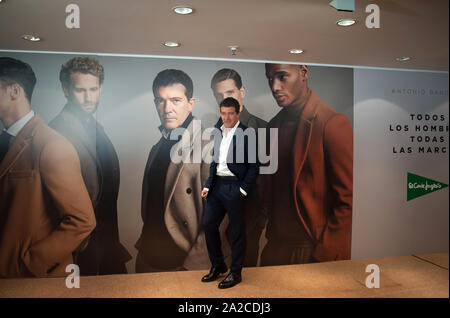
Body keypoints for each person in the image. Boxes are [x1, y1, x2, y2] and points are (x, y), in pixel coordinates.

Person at [0, 57, 96, 278]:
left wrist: (27, 266)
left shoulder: (52, 145)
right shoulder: (6, 140)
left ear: (14, 91)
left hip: (31, 282)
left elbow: (82, 221)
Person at [260, 63, 353, 266]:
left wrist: (325, 252)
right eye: (270, 79)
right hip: (275, 248)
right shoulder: (272, 126)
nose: (274, 86)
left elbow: (347, 199)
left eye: (282, 76)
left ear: (303, 72)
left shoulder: (333, 123)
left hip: (313, 249)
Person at [50, 57, 131, 275]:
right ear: (66, 90)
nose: (88, 98)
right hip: (80, 253)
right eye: (80, 90)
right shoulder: (57, 131)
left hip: (107, 246)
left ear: (100, 88)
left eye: (93, 89)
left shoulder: (95, 128)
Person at [135, 69, 222, 272]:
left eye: (175, 100)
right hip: (148, 259)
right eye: (160, 100)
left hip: (183, 265)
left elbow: (220, 216)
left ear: (191, 103)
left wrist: (193, 264)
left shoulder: (210, 145)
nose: (167, 109)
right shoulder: (157, 147)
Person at [210, 68, 267, 267]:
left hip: (247, 215)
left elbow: (266, 180)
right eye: (219, 95)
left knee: (246, 275)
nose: (224, 98)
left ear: (242, 92)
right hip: (219, 206)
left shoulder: (262, 128)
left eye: (230, 93)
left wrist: (256, 222)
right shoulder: (214, 130)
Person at [201, 97, 259, 289]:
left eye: (230, 113)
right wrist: (208, 185)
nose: (226, 117)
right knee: (209, 224)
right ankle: (218, 265)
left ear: (238, 113)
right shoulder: (218, 132)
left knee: (236, 232)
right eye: (223, 113)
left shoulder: (247, 133)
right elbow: (214, 162)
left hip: (235, 187)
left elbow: (254, 166)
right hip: (217, 186)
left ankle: (235, 273)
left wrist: (242, 190)